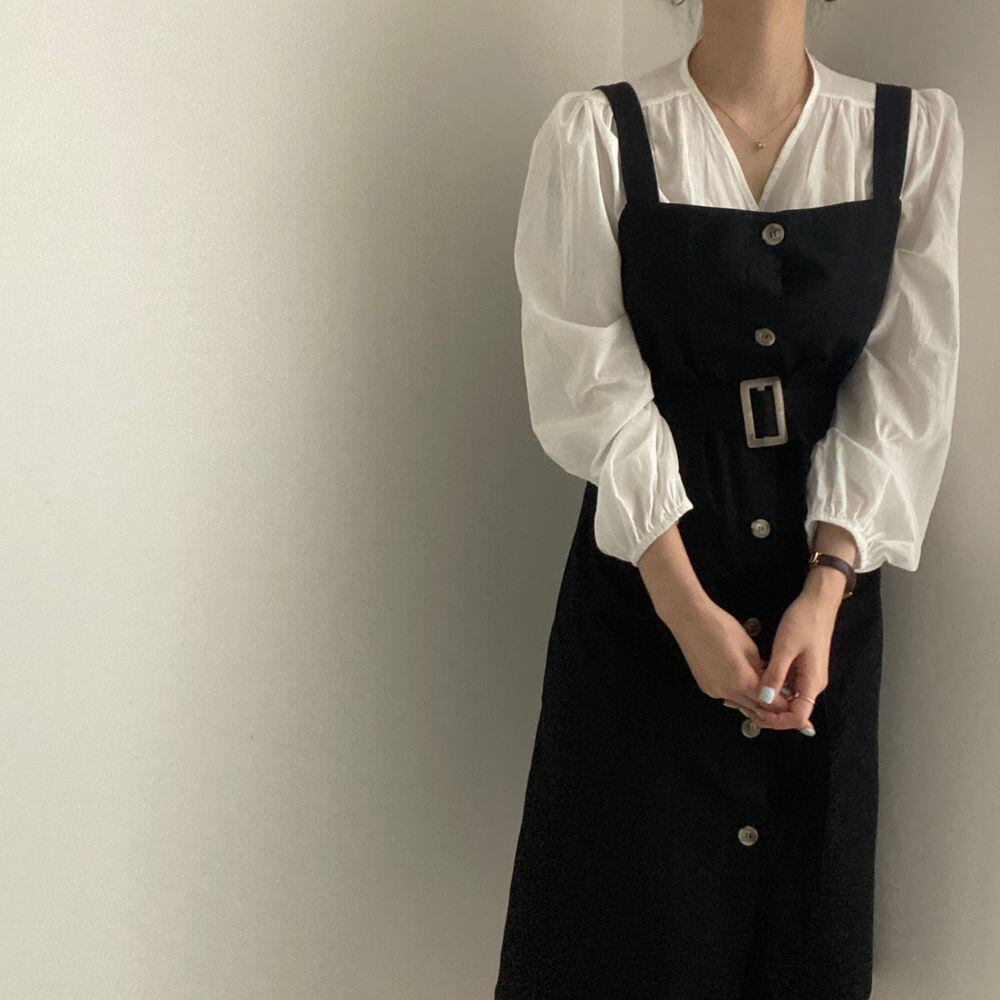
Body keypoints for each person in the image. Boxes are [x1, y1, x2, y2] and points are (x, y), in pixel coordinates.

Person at [494, 2, 964, 998]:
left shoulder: (908, 135)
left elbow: (905, 382)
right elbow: (586, 381)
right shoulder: (597, 134)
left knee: (796, 935)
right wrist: (681, 606)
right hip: (645, 580)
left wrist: (826, 589)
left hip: (824, 597)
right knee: (621, 936)